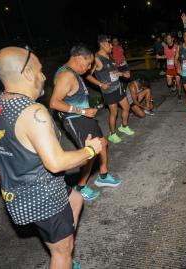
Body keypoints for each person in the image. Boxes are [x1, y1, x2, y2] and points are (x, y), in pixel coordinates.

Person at [0, 46, 104, 268]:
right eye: (40, 70)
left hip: (17, 193)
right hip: (43, 199)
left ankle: (61, 245)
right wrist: (90, 150)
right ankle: (62, 255)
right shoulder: (34, 112)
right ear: (27, 74)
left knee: (76, 199)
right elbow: (56, 163)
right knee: (61, 252)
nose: (44, 76)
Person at [50, 44, 121, 202]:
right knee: (90, 152)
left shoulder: (74, 72)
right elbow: (54, 102)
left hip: (84, 118)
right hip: (76, 120)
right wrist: (83, 111)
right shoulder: (66, 75)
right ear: (78, 58)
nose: (89, 68)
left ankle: (103, 176)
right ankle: (80, 187)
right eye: (88, 63)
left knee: (102, 143)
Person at [87, 35, 135, 144]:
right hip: (109, 91)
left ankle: (124, 126)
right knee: (114, 113)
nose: (111, 46)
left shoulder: (110, 56)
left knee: (126, 107)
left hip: (117, 87)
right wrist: (100, 84)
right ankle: (112, 134)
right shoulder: (97, 58)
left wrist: (123, 74)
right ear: (103, 44)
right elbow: (88, 75)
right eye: (109, 44)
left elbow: (114, 72)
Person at [156, 33, 182, 100]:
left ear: (172, 39)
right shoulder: (165, 47)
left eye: (169, 38)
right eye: (167, 39)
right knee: (169, 83)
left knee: (178, 83)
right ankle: (173, 84)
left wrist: (177, 59)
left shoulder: (177, 46)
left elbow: (180, 56)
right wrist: (160, 57)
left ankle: (179, 95)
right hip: (169, 68)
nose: (168, 40)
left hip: (177, 67)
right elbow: (166, 55)